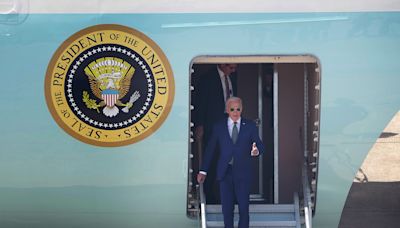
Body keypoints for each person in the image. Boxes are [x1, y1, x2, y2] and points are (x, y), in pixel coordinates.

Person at [197, 97, 265, 228]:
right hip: (225, 172)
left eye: (238, 109)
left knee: (244, 208)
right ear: (227, 110)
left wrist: (256, 151)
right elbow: (210, 150)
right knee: (227, 209)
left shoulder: (249, 126)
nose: (235, 112)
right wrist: (203, 171)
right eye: (232, 109)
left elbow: (261, 145)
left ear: (242, 109)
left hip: (243, 173)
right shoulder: (219, 127)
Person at [195, 64, 238, 203]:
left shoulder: (232, 78)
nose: (233, 71)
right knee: (212, 160)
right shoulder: (207, 79)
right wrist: (200, 124)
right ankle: (209, 195)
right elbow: (200, 103)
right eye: (231, 68)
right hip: (213, 126)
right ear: (222, 64)